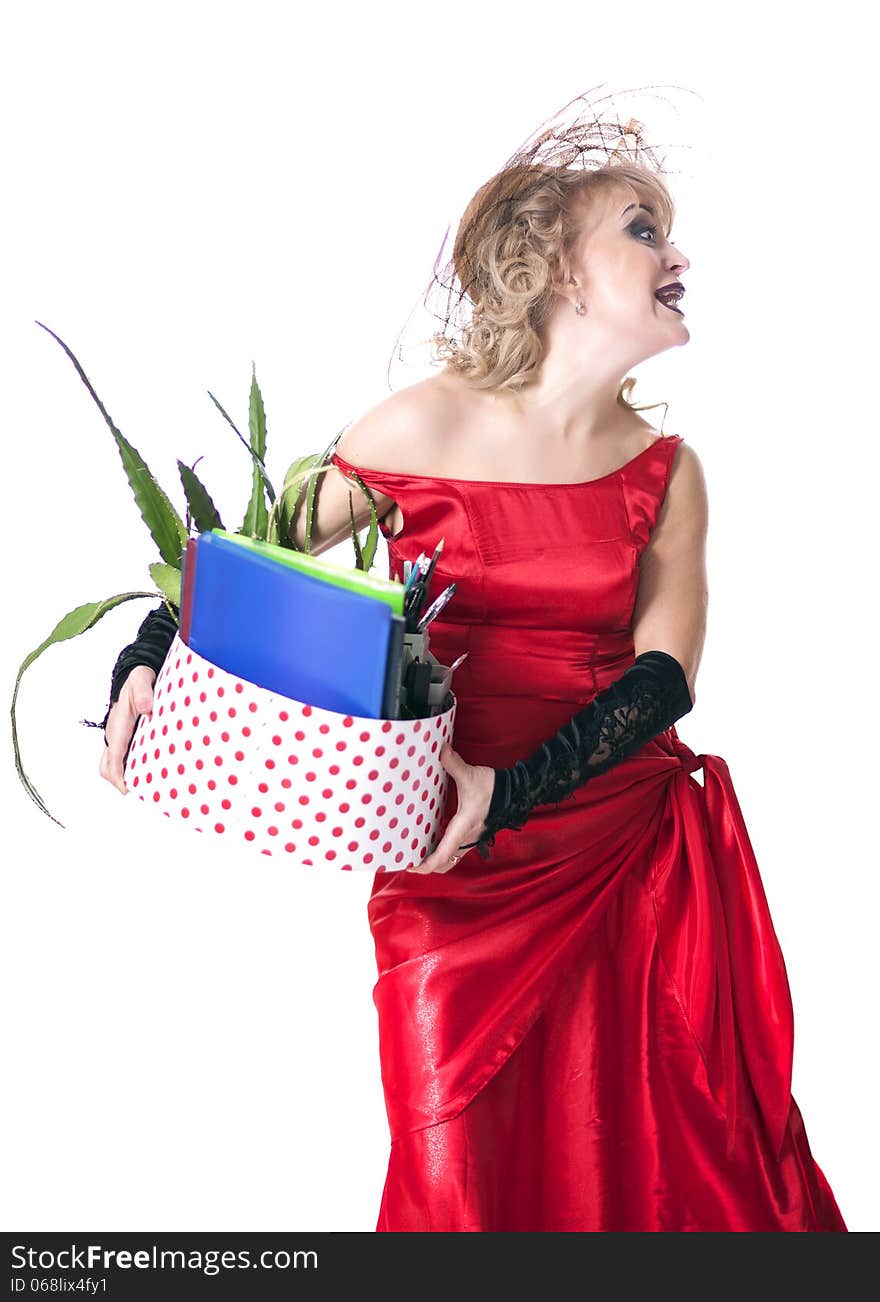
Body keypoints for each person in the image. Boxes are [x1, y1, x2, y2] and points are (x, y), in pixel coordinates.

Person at [98, 114, 847, 1232]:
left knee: (671, 1171)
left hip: (625, 853)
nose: (678, 257)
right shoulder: (418, 424)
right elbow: (245, 557)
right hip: (451, 871)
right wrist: (145, 660)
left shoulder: (668, 475)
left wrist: (513, 790)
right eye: (645, 231)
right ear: (551, 269)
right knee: (460, 1186)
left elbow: (664, 679)